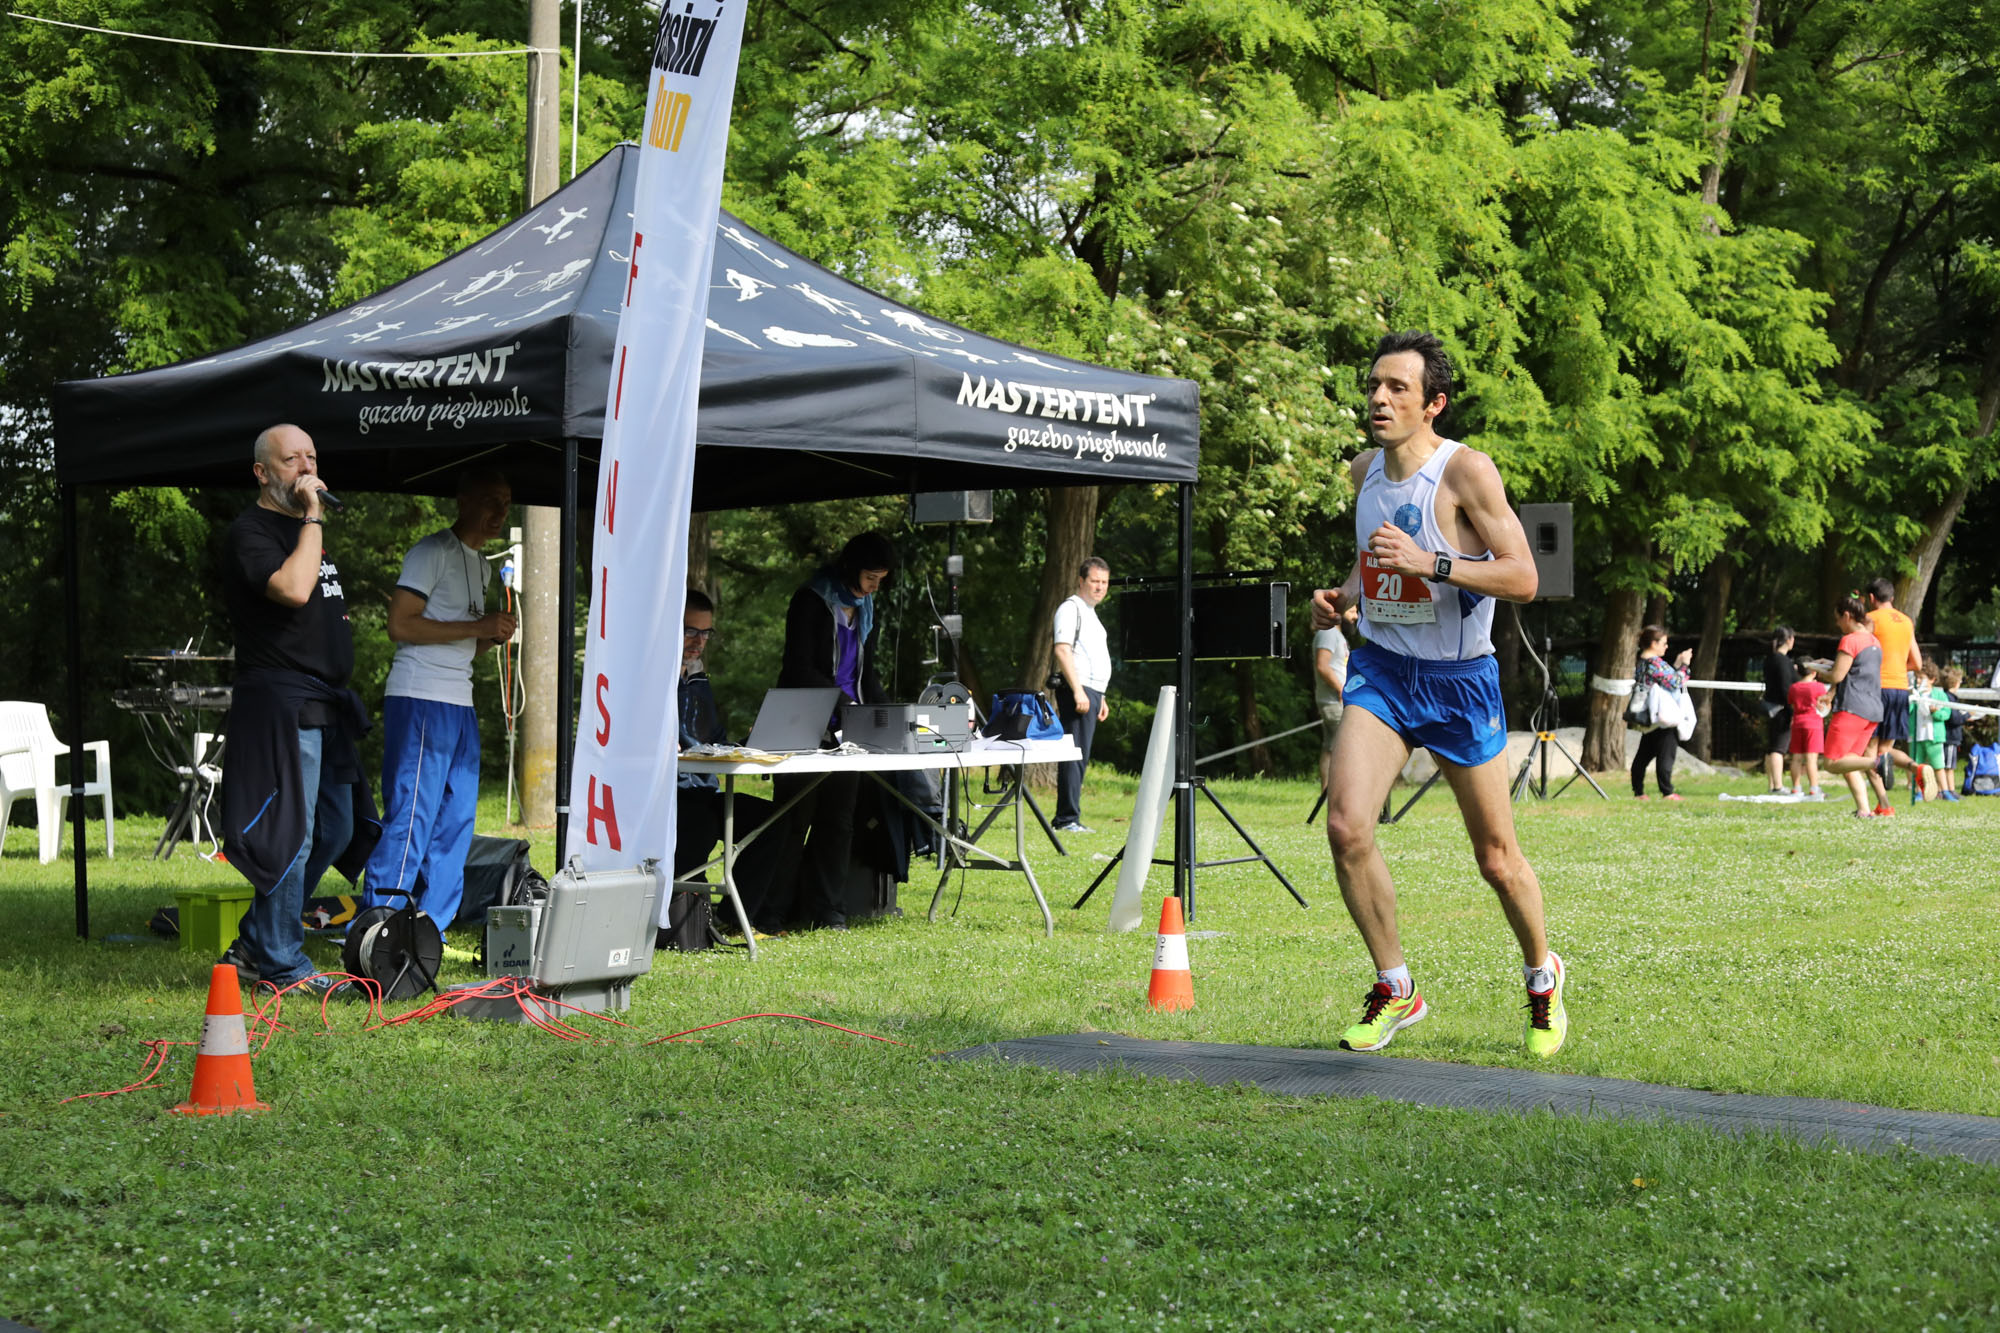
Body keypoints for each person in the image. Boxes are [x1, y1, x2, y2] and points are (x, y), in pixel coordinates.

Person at [1308, 330, 1567, 1058]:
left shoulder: (1465, 472)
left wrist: (1435, 563)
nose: (1379, 398)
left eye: (1398, 388)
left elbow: (1524, 577)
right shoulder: (1364, 471)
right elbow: (1373, 553)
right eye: (1374, 385)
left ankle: (1542, 975)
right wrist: (1345, 596)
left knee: (1497, 860)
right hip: (1384, 671)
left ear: (1434, 404)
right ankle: (1396, 986)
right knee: (1346, 827)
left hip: (1459, 684)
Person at [217, 424, 379, 993]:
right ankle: (282, 964)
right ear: (262, 472)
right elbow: (292, 590)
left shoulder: (307, 530)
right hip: (282, 703)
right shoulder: (252, 531)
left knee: (336, 828)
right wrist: (312, 517)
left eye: (312, 456)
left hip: (325, 704)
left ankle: (256, 943)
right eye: (292, 460)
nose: (307, 468)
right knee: (292, 833)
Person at [360, 469, 515, 930]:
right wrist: (478, 626)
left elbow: (462, 643)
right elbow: (400, 625)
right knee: (413, 814)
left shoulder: (482, 564)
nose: (500, 512)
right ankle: (380, 922)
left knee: (457, 817)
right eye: (491, 500)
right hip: (421, 695)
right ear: (463, 501)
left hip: (460, 700)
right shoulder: (432, 551)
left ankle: (430, 926)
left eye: (506, 503)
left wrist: (491, 636)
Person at [765, 531, 896, 930]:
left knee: (839, 822)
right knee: (793, 819)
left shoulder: (866, 608)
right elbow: (798, 666)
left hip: (847, 729)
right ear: (851, 568)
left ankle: (827, 910)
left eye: (880, 579)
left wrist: (885, 715)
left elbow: (866, 673)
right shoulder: (811, 600)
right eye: (871, 577)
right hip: (804, 721)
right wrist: (842, 703)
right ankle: (772, 912)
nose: (874, 587)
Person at [1051, 556, 1112, 834]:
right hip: (1078, 690)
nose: (1100, 587)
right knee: (1074, 754)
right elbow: (1062, 650)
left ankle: (1070, 816)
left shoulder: (1091, 613)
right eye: (1094, 581)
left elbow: (1092, 657)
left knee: (1081, 755)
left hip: (1092, 692)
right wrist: (1078, 690)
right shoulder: (1070, 608)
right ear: (1081, 581)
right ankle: (1066, 819)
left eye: (1104, 582)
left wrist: (1102, 696)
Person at [1822, 595, 1889, 818]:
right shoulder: (1874, 642)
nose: (1837, 624)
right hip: (1873, 710)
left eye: (1838, 619)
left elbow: (1837, 675)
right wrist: (1828, 666)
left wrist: (1816, 670)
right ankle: (1864, 810)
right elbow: (1855, 670)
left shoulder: (1850, 640)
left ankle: (1878, 762)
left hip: (1852, 708)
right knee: (1849, 761)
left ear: (1847, 616)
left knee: (1832, 762)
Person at [1865, 577, 1921, 807]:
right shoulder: (1907, 622)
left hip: (1876, 689)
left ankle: (1885, 805)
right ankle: (1917, 768)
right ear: (1892, 597)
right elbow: (1917, 663)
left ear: (1871, 598)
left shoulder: (1870, 619)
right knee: (1885, 751)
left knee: (1868, 751)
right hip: (1900, 689)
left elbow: (1862, 653)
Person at [1631, 626, 1692, 802]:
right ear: (1653, 643)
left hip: (1650, 716)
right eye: (1664, 643)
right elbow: (1675, 682)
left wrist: (1677, 665)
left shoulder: (1642, 662)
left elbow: (1665, 678)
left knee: (1643, 756)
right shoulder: (1655, 663)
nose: (1666, 647)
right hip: (1664, 716)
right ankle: (1668, 792)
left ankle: (1639, 792)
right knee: (1666, 754)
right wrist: (1685, 665)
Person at [1314, 604, 1358, 802]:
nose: (1355, 616)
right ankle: (1339, 797)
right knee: (1344, 749)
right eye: (1352, 611)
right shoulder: (1328, 633)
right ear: (1339, 611)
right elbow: (1322, 666)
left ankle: (1327, 795)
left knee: (1330, 748)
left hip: (1335, 701)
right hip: (1334, 702)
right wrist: (1341, 689)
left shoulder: (1337, 635)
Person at [1906, 659, 1953, 803]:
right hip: (1916, 736)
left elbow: (1946, 713)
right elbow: (1907, 711)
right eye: (1917, 677)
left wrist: (1935, 712)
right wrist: (1911, 699)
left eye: (1922, 678)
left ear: (1932, 679)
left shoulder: (1939, 694)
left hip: (1933, 736)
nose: (1918, 681)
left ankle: (1945, 791)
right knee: (1917, 765)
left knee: (1938, 765)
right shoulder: (1914, 694)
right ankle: (1918, 792)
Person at [1787, 659, 1832, 800]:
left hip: (1797, 723)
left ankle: (1796, 787)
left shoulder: (1794, 688)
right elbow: (1826, 705)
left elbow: (1792, 705)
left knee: (1796, 758)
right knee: (1811, 759)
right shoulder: (1819, 687)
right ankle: (1814, 788)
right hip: (1814, 724)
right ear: (1814, 671)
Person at [1761, 627, 1798, 794]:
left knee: (1771, 748)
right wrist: (1792, 709)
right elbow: (1785, 688)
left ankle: (1771, 785)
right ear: (1789, 640)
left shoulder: (1770, 659)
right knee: (1778, 748)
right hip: (1782, 709)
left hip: (1770, 707)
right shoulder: (1783, 661)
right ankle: (1778, 786)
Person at [1939, 664, 1968, 797]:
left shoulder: (1946, 696)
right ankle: (1950, 790)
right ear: (1956, 683)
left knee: (1946, 765)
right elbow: (1954, 719)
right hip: (1950, 737)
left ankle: (1944, 790)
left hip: (1948, 737)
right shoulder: (1949, 699)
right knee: (1949, 767)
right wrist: (1968, 715)